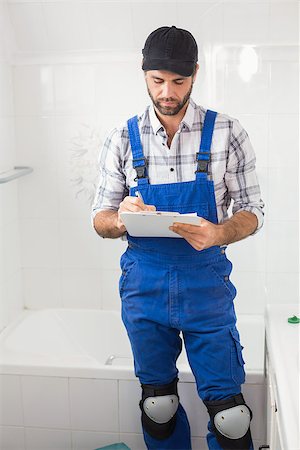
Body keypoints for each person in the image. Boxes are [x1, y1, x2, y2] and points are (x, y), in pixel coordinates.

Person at [92, 25, 264, 450]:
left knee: (231, 416)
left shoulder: (228, 132)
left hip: (206, 287)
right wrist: (120, 218)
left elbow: (253, 211)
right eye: (157, 80)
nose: (167, 91)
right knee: (158, 405)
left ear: (195, 74)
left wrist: (221, 231)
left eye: (178, 81)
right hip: (143, 287)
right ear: (144, 74)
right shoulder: (120, 138)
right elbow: (99, 218)